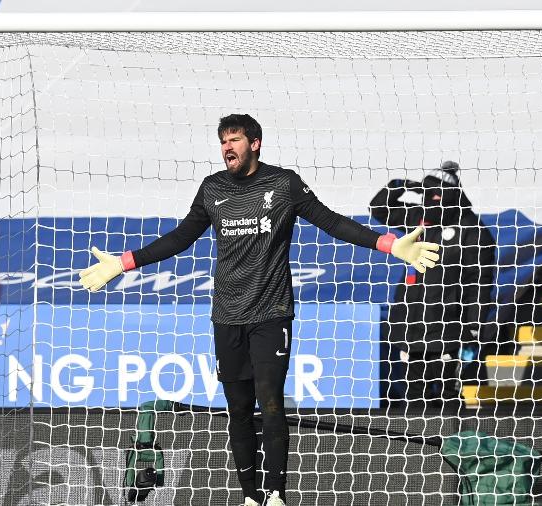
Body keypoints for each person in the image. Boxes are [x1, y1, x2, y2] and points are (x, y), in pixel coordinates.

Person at [79, 114, 440, 506]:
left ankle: (276, 495)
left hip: (271, 313)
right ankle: (251, 497)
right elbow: (181, 238)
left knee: (270, 402)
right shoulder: (212, 188)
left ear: (255, 143)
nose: (226, 148)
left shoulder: (283, 184)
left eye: (233, 140)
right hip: (227, 316)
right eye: (222, 142)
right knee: (238, 411)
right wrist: (123, 262)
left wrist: (389, 245)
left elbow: (332, 222)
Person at [370, 162, 496, 407]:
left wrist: (473, 327)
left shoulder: (474, 232)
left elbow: (478, 285)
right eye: (427, 194)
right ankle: (419, 444)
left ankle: (452, 441)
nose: (432, 200)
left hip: (450, 330)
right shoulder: (420, 219)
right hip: (413, 326)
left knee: (449, 395)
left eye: (438, 195)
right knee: (415, 394)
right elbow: (379, 208)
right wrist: (401, 185)